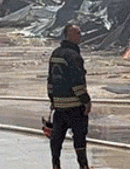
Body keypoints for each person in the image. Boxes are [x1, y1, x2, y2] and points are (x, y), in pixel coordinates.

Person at [47, 24, 92, 169]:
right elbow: (77, 81)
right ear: (69, 35)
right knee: (79, 138)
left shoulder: (55, 53)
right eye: (77, 33)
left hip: (59, 107)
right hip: (74, 107)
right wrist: (86, 100)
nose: (81, 35)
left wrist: (52, 99)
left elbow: (50, 79)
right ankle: (83, 166)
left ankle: (55, 165)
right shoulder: (73, 56)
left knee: (56, 139)